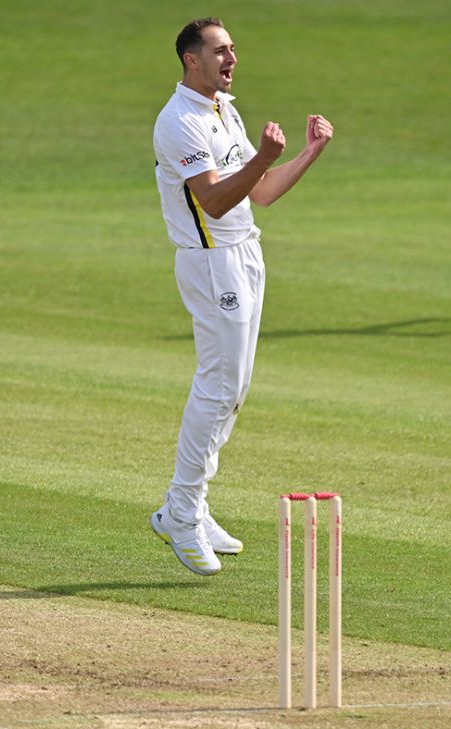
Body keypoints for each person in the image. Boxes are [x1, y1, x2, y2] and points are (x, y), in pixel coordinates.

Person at [151, 17, 334, 575]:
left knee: (235, 388)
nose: (232, 59)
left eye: (233, 49)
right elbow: (212, 202)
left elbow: (264, 193)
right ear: (191, 59)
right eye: (221, 51)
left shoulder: (223, 110)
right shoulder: (178, 121)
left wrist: (308, 152)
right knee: (218, 384)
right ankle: (180, 512)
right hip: (210, 263)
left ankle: (191, 504)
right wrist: (260, 156)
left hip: (245, 254)